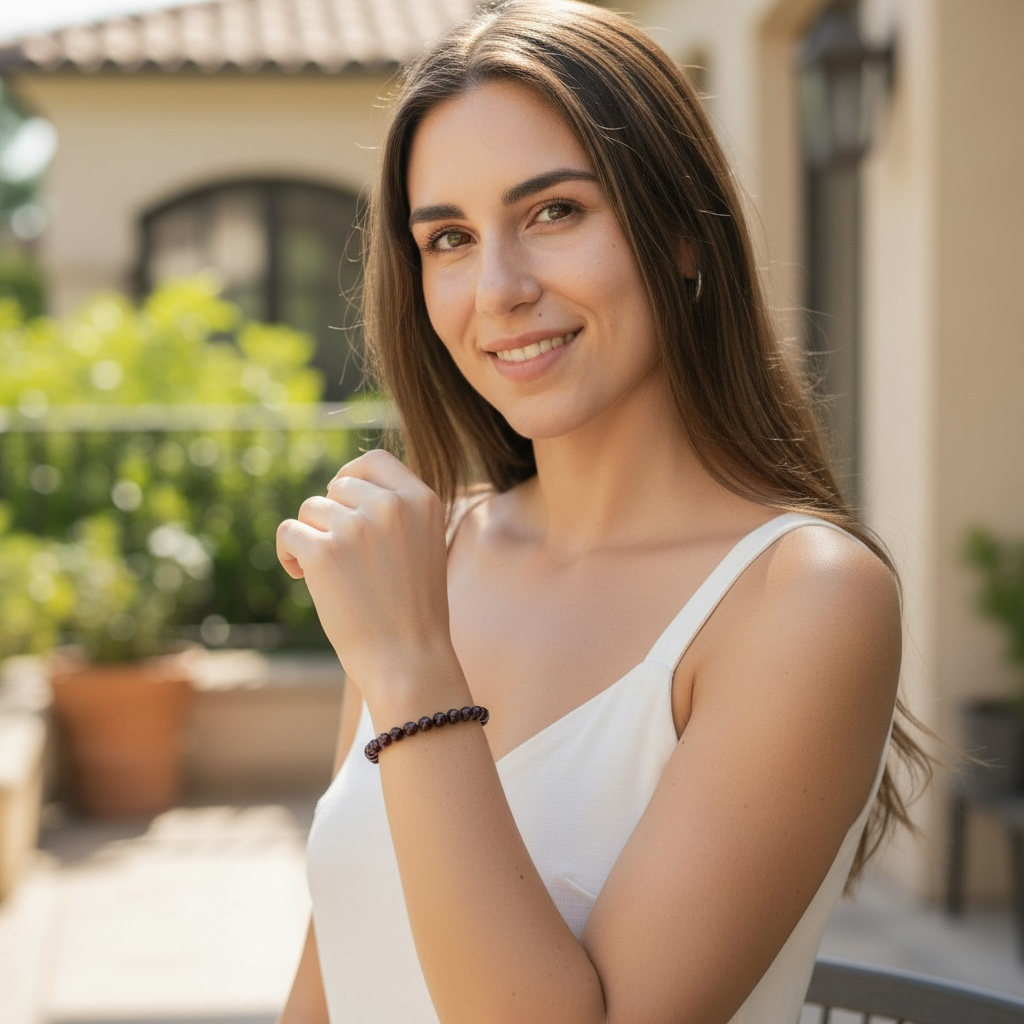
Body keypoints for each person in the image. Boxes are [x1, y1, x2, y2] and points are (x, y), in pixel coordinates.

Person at [275, 1, 928, 1021]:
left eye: (553, 213)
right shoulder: (431, 551)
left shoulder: (806, 597)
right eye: (447, 237)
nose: (497, 288)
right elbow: (330, 982)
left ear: (680, 232)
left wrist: (411, 670)